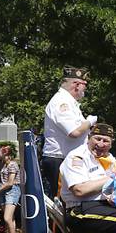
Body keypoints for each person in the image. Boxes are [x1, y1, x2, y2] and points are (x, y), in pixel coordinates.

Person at [42, 66, 97, 200]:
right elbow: (74, 131)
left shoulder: (70, 103)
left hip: (67, 157)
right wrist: (90, 121)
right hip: (59, 158)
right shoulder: (62, 102)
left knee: (69, 200)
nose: (85, 89)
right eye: (85, 85)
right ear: (76, 85)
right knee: (59, 201)